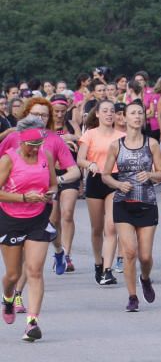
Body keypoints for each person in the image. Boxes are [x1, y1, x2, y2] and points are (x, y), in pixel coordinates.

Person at [103, 102, 161, 312]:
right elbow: (105, 176)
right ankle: (132, 296)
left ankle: (145, 277)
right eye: (133, 113)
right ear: (124, 117)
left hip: (147, 202)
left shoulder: (152, 144)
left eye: (140, 113)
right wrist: (118, 184)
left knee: (145, 256)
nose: (137, 116)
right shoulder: (116, 145)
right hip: (123, 203)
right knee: (130, 251)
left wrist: (150, 175)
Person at [0, 126, 56, 341]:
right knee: (13, 275)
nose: (35, 150)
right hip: (10, 219)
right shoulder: (8, 159)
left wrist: (51, 192)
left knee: (34, 271)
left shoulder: (46, 156)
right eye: (31, 146)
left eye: (38, 145)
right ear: (20, 143)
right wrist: (23, 198)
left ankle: (32, 322)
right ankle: (7, 297)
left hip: (38, 218)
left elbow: (52, 183)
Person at [77, 100, 125, 286]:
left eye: (112, 111)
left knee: (111, 226)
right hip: (96, 180)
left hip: (114, 179)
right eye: (104, 111)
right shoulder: (89, 134)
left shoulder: (121, 136)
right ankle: (98, 262)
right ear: (97, 114)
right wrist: (90, 164)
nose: (109, 114)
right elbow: (80, 159)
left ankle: (107, 269)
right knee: (97, 228)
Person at [49, 95, 82, 273]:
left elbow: (82, 140)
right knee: (53, 219)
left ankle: (68, 255)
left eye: (63, 111)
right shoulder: (46, 127)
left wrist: (72, 136)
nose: (60, 115)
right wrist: (61, 140)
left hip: (70, 174)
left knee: (67, 213)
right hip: (51, 175)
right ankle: (59, 251)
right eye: (56, 111)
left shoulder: (71, 124)